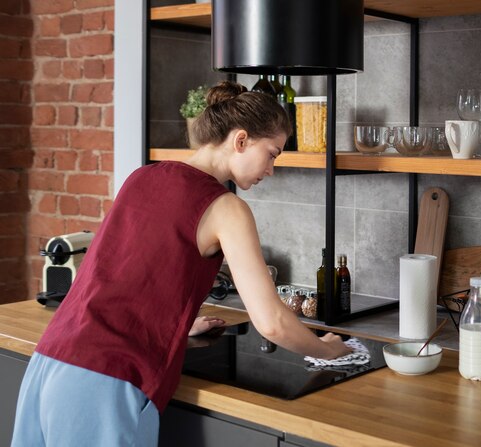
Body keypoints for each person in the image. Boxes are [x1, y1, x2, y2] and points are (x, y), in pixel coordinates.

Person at [11, 80, 351, 447]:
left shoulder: (143, 176)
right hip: (105, 383)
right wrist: (330, 351)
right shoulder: (227, 208)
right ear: (240, 140)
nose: (271, 169)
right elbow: (272, 323)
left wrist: (173, 326)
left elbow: (124, 274)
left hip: (51, 363)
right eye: (272, 154)